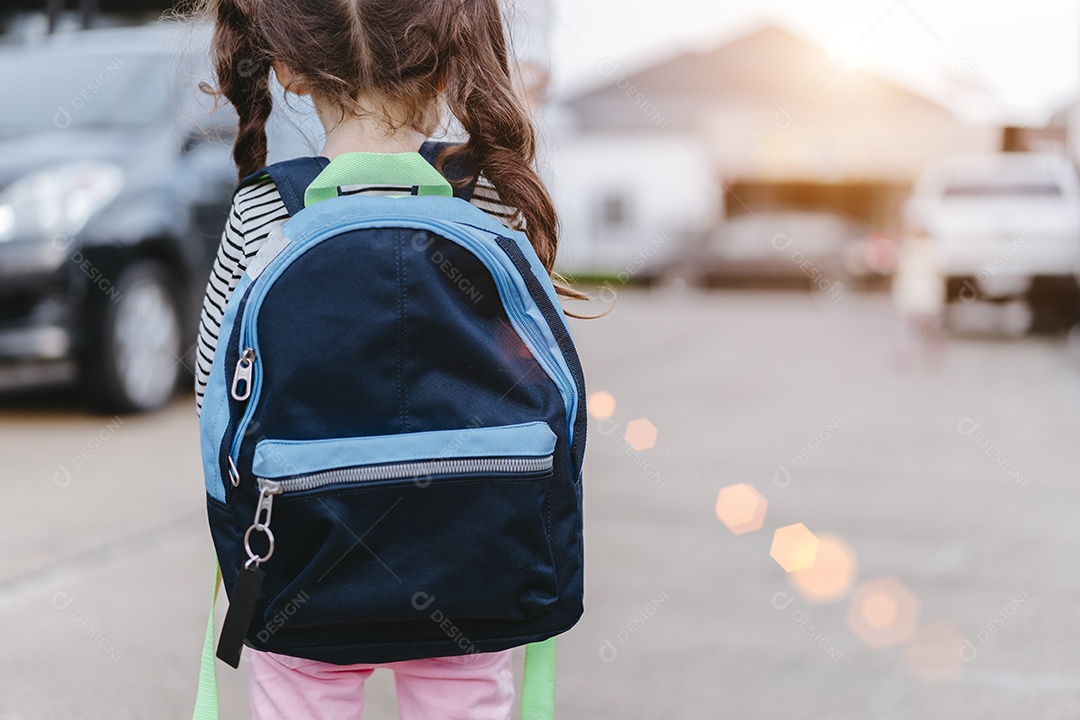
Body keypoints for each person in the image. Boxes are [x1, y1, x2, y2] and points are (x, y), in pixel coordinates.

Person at [192, 0, 584, 717]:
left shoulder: (263, 210)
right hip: (477, 569)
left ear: (289, 69)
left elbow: (213, 401)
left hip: (299, 565)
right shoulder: (491, 196)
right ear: (448, 69)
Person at [890, 229, 946, 369]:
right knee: (932, 332)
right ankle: (934, 360)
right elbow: (942, 272)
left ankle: (903, 360)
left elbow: (899, 272)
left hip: (910, 296)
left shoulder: (908, 248)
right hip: (928, 297)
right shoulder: (934, 249)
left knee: (907, 331)